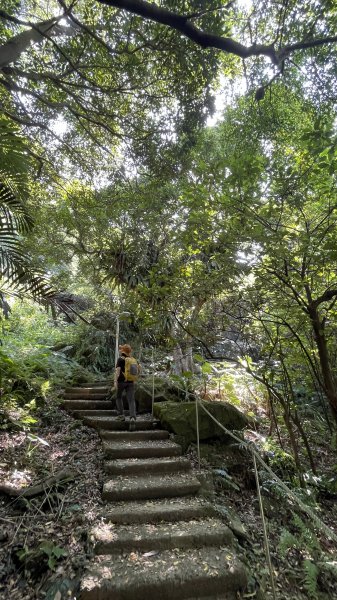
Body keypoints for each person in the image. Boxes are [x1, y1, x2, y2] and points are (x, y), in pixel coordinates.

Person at [114, 343, 137, 431]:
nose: (120, 350)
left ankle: (121, 415)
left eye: (121, 349)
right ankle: (132, 418)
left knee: (118, 397)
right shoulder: (133, 359)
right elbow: (137, 370)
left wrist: (115, 381)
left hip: (121, 382)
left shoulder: (120, 359)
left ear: (123, 351)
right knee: (131, 400)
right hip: (131, 382)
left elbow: (118, 371)